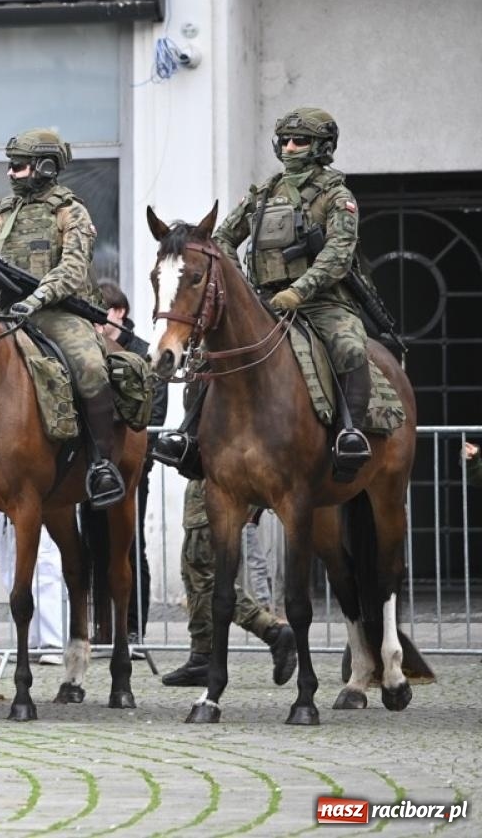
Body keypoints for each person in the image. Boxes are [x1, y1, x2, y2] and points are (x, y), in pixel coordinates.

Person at [155, 106, 372, 482]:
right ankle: (189, 436)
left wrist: (299, 291)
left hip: (322, 302)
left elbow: (338, 255)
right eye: (284, 141)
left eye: (299, 141)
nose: (289, 148)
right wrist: (242, 288)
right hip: (266, 301)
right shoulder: (263, 194)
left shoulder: (337, 197)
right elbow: (221, 238)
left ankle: (347, 434)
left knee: (350, 347)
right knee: (206, 358)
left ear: (321, 147)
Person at [0, 128, 126, 509]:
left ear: (45, 167)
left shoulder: (70, 211)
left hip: (57, 313)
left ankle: (101, 465)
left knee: (91, 366)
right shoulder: (2, 214)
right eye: (11, 165)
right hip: (2, 313)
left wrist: (36, 298)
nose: (11, 173)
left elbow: (72, 269)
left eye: (18, 166)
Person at [161, 477, 298, 687]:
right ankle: (201, 657)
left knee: (203, 574)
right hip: (217, 481)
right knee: (197, 574)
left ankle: (271, 631)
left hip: (215, 481)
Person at [88, 281, 166, 640]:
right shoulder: (90, 349)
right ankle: (103, 626)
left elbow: (156, 411)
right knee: (95, 543)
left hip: (132, 468)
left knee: (131, 545)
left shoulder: (143, 353)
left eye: (101, 311)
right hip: (95, 465)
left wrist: (140, 457)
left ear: (119, 312)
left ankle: (133, 628)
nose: (95, 319)